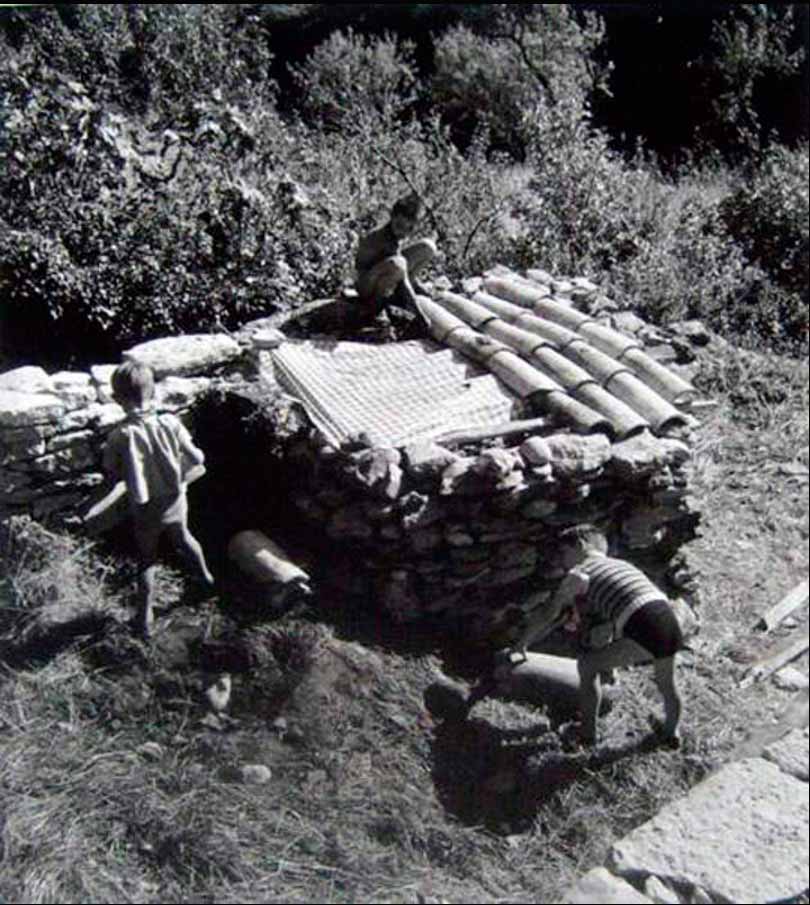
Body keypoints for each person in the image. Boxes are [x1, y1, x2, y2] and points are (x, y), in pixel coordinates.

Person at [510, 524, 685, 748]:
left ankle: (586, 735)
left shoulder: (580, 572)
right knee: (666, 684)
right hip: (669, 619)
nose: (562, 562)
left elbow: (549, 612)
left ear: (581, 545)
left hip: (643, 622)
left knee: (587, 665)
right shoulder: (620, 565)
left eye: (564, 554)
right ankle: (671, 733)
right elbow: (612, 613)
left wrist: (521, 643)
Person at [102, 361, 214, 639]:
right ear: (153, 393)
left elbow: (111, 469)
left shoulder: (120, 435)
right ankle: (206, 580)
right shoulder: (171, 423)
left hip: (146, 508)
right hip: (175, 499)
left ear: (117, 399)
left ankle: (144, 618)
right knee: (185, 537)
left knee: (147, 559)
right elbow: (197, 459)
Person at [354, 192, 437, 326]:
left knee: (428, 246)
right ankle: (377, 307)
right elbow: (400, 272)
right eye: (399, 226)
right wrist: (420, 315)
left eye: (409, 228)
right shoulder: (382, 238)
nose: (403, 232)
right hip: (366, 285)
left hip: (386, 273)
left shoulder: (396, 236)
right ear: (392, 217)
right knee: (398, 264)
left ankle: (407, 289)